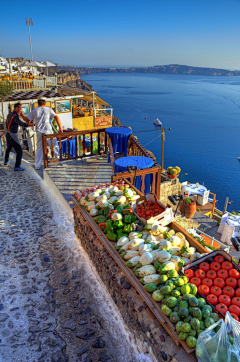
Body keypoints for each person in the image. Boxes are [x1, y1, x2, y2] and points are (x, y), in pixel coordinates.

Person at [27, 98, 63, 170]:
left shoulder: (35, 111)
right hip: (48, 131)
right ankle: (58, 160)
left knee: (39, 149)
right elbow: (56, 117)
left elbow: (27, 119)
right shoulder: (48, 109)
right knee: (54, 145)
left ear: (38, 103)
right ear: (45, 103)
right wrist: (60, 128)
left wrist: (21, 115)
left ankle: (37, 165)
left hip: (39, 132)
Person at [4, 103, 34, 171]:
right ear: (16, 108)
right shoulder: (15, 116)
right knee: (19, 150)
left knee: (9, 148)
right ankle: (17, 166)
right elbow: (20, 123)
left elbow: (7, 124)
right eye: (20, 108)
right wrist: (28, 124)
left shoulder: (9, 114)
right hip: (12, 134)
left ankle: (6, 161)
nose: (21, 110)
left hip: (8, 133)